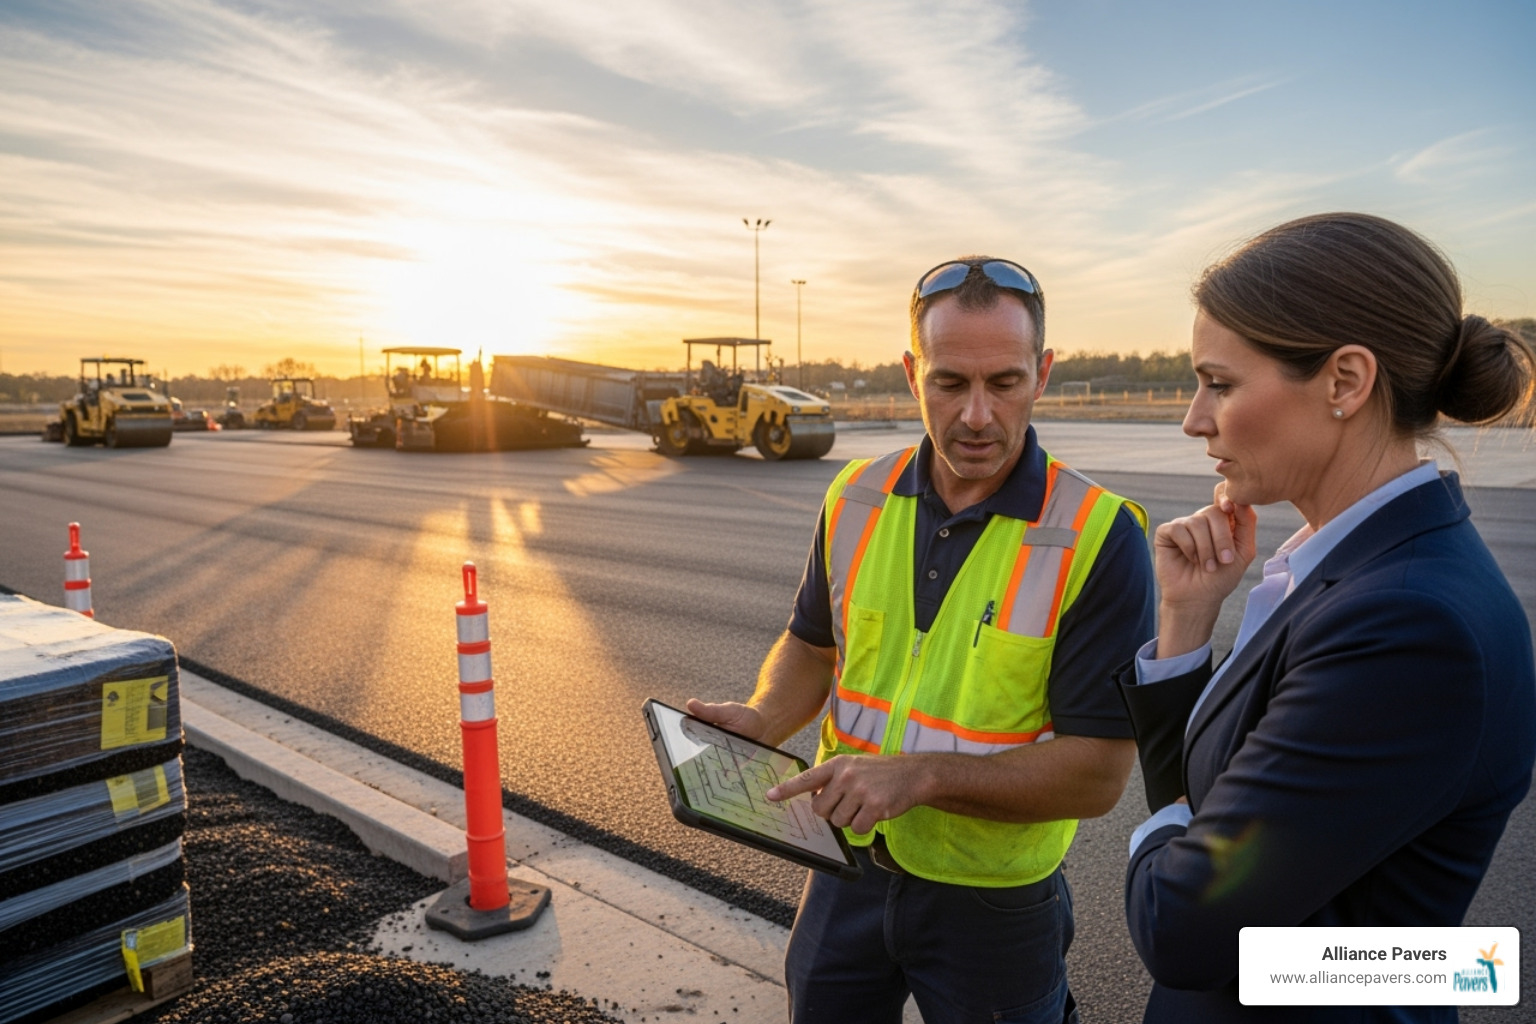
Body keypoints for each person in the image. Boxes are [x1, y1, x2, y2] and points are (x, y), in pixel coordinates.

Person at [687, 256, 1155, 1022]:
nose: (976, 415)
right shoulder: (855, 495)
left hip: (994, 904)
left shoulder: (1099, 533)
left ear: (1042, 374)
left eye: (1003, 383)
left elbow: (1097, 776)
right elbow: (811, 646)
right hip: (845, 869)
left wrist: (922, 777)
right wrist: (765, 718)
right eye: (949, 382)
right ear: (912, 373)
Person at [1118, 212, 1536, 1023]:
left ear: (1345, 381)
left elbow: (1182, 926)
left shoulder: (1409, 626)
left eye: (1221, 383)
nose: (1194, 420)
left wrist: (1167, 844)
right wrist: (1185, 625)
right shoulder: (1352, 571)